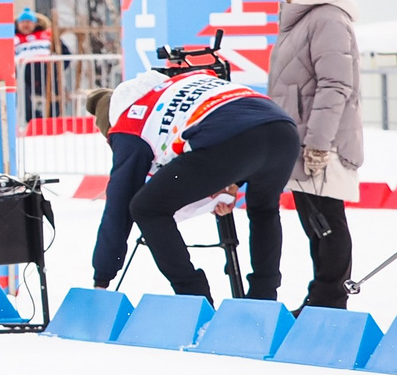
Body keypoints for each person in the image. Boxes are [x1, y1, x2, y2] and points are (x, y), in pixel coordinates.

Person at [89, 43, 299, 302]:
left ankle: (194, 296)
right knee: (263, 210)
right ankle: (263, 299)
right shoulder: (172, 86)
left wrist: (102, 277)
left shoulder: (129, 125)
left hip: (233, 138)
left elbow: (118, 206)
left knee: (146, 207)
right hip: (282, 130)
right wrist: (229, 183)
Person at [264, 0, 362, 310]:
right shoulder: (304, 18)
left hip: (323, 142)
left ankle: (328, 300)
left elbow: (335, 84)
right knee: (313, 222)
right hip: (302, 138)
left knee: (326, 221)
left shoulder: (327, 19)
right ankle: (321, 297)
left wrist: (318, 143)